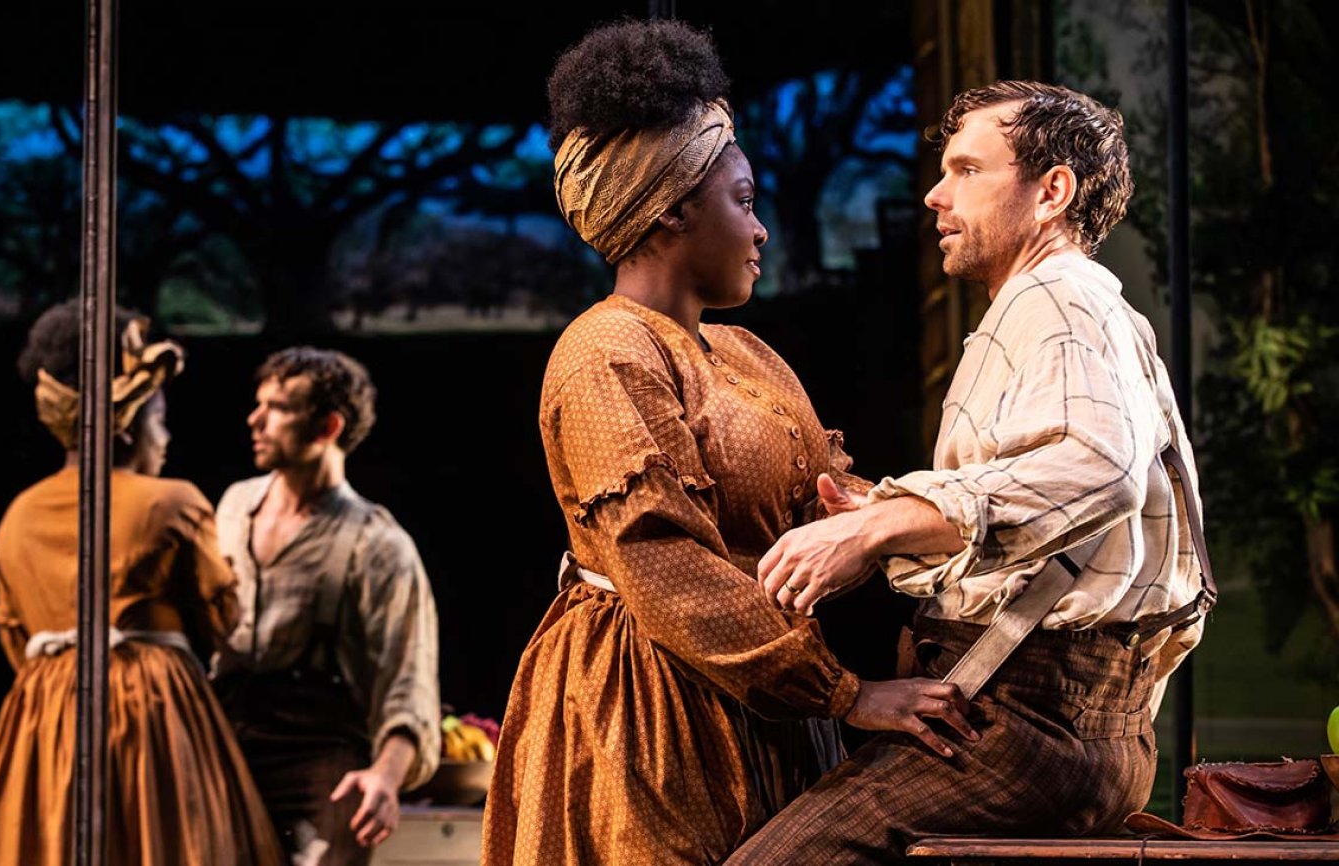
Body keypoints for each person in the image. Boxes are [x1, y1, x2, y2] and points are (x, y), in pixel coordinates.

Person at [482, 21, 975, 866]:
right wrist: (845, 694)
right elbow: (665, 565)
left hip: (768, 704)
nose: (761, 231)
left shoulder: (747, 354)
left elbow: (839, 509)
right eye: (742, 202)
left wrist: (929, 520)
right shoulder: (603, 353)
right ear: (670, 206)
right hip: (651, 711)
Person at [728, 81, 1210, 864]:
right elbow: (1051, 493)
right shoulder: (1064, 305)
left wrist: (880, 525)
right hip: (1054, 720)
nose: (935, 194)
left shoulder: (1055, 299)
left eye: (966, 170)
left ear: (1052, 192)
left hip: (1027, 725)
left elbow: (1098, 466)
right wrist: (887, 514)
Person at [0, 300, 282, 866]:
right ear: (128, 423)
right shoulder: (171, 503)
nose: (164, 439)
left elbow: (15, 637)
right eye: (159, 418)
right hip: (153, 714)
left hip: (45, 716)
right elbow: (219, 620)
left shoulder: (17, 515)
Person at [211, 347, 440, 866]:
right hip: (227, 744)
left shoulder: (376, 544)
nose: (256, 419)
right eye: (258, 403)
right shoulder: (233, 508)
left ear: (327, 427)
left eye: (278, 408)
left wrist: (386, 774)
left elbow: (409, 680)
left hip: (318, 752)